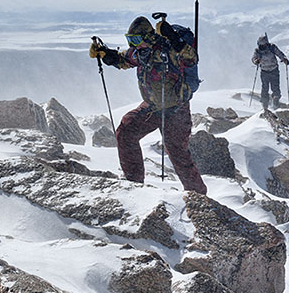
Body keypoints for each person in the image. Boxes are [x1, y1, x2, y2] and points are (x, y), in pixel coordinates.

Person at [89, 15, 207, 194]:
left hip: (176, 109)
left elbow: (191, 59)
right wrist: (106, 54)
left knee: (176, 152)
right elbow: (123, 60)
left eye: (136, 39)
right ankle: (134, 185)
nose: (133, 45)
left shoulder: (168, 49)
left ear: (148, 37)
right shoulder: (140, 53)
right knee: (126, 131)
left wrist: (174, 39)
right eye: (130, 40)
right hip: (153, 107)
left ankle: (198, 195)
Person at [252, 34, 289, 110]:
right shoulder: (271, 47)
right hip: (273, 70)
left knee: (266, 88)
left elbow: (253, 58)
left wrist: (256, 61)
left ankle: (266, 106)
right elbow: (279, 53)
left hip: (266, 71)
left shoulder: (259, 50)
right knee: (274, 87)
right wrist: (284, 59)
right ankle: (274, 103)